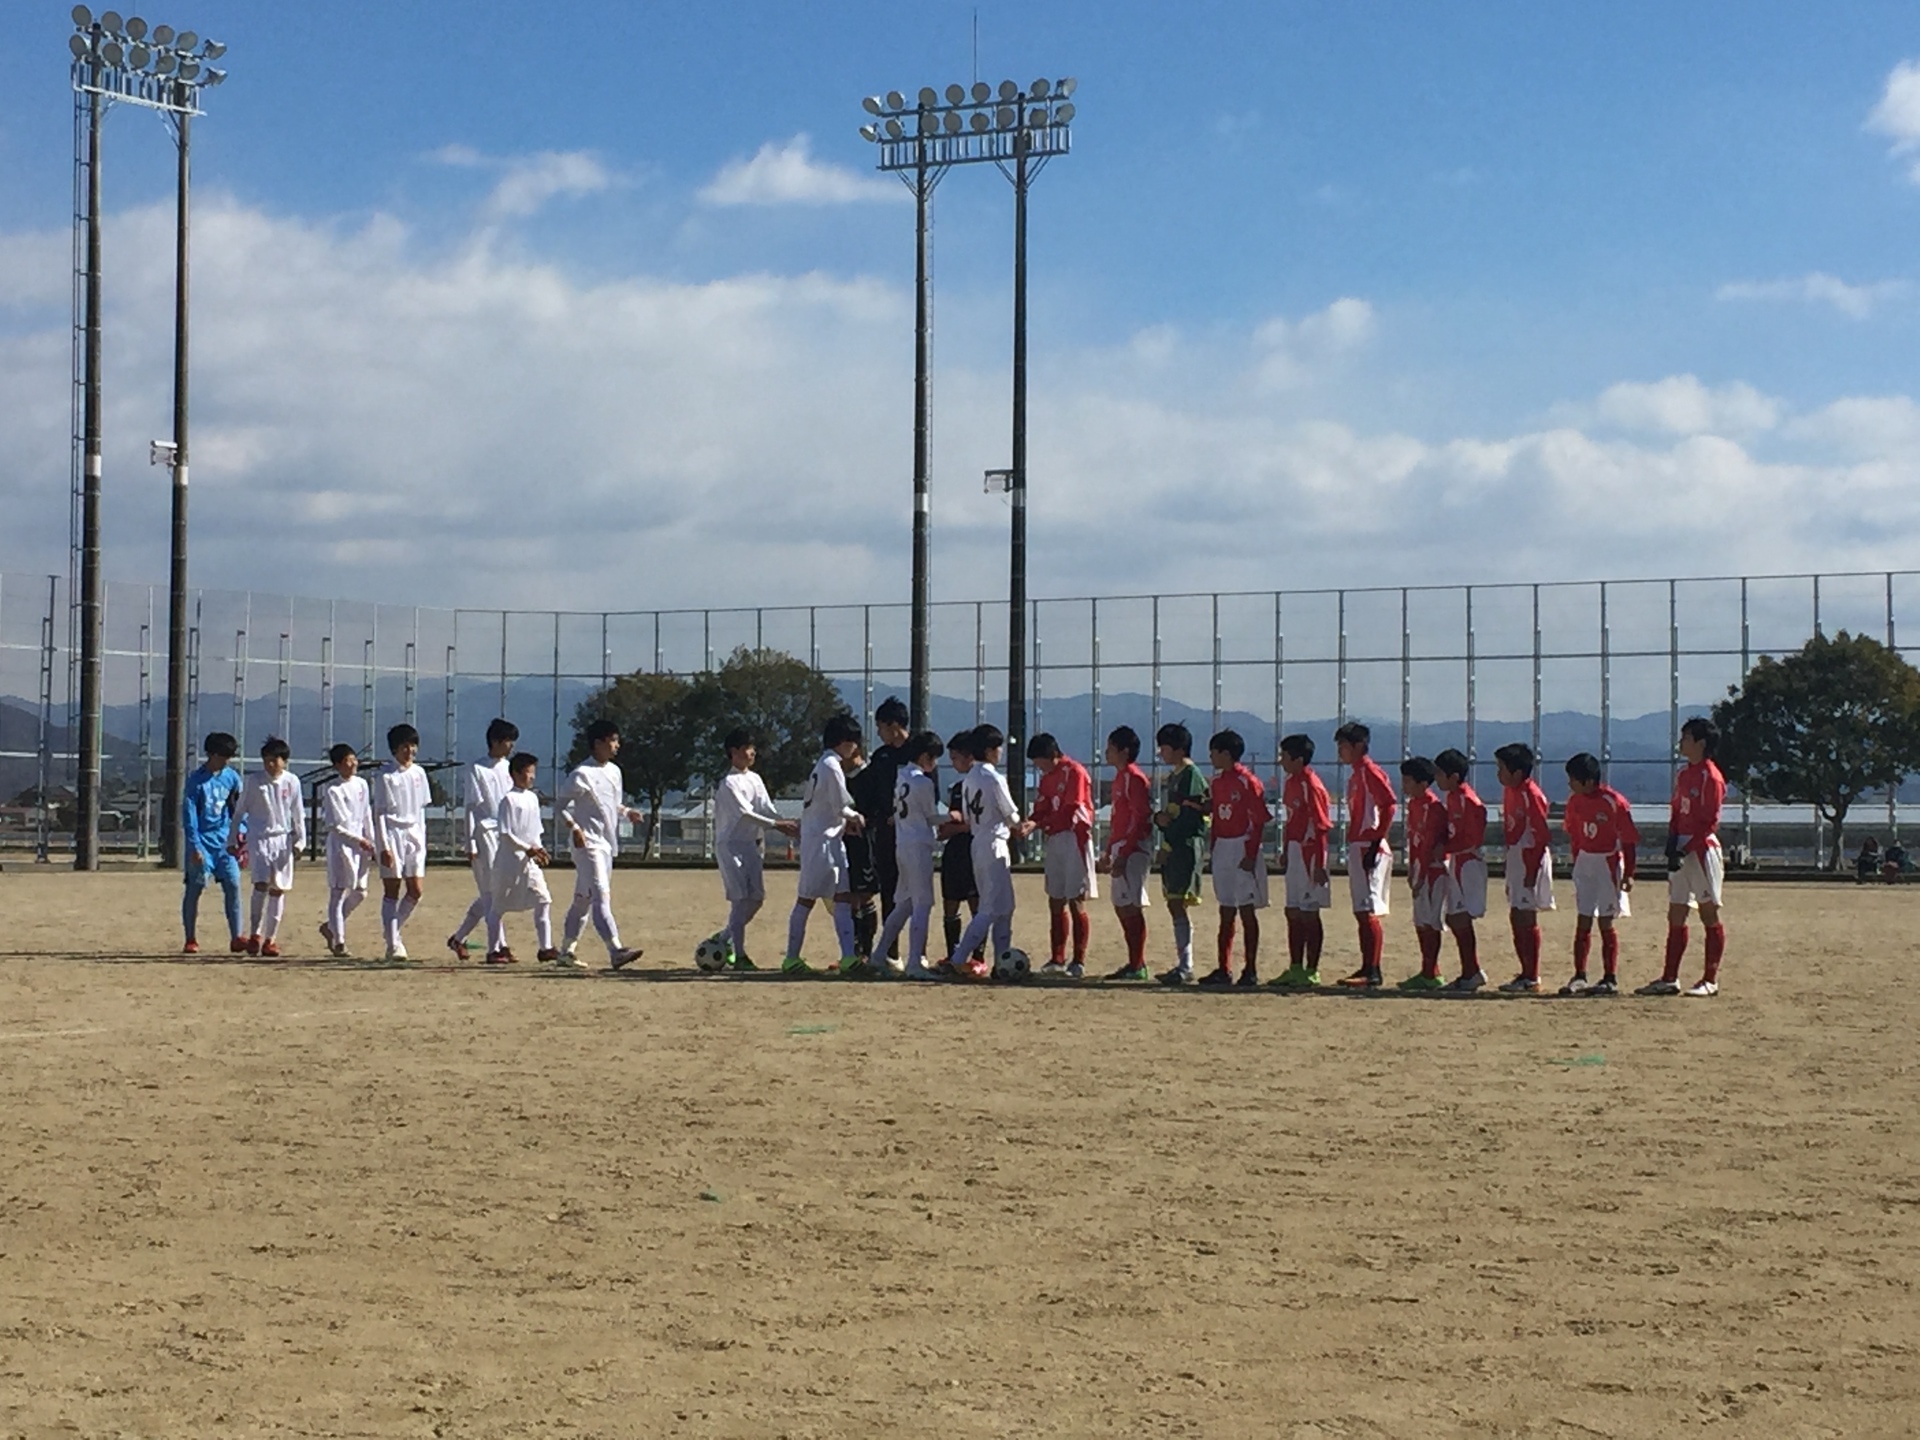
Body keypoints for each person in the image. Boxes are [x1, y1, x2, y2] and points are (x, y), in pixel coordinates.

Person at [1641, 716, 1727, 997]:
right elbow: (1678, 811)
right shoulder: (1684, 774)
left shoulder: (1710, 776)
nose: (1681, 742)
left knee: (1708, 911)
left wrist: (1687, 846)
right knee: (1676, 911)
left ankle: (1710, 979)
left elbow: (1709, 821)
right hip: (1680, 849)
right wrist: (1672, 841)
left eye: (1686, 737)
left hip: (1701, 850)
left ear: (1700, 743)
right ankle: (1669, 977)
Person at [557, 717, 647, 971]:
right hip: (588, 845)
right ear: (598, 743)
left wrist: (627, 811)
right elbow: (560, 807)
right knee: (600, 897)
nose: (617, 745)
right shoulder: (580, 774)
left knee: (582, 900)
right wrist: (574, 828)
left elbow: (611, 805)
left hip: (606, 844)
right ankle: (616, 949)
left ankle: (566, 951)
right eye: (613, 740)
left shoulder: (615, 772)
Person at [785, 713, 867, 976]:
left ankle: (848, 956)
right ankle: (791, 957)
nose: (855, 747)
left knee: (842, 897)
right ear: (843, 741)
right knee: (806, 900)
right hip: (821, 843)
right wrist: (857, 817)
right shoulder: (831, 766)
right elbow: (841, 805)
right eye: (853, 741)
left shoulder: (823, 764)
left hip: (830, 841)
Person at [712, 727, 799, 969]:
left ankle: (723, 938)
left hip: (751, 845)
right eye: (747, 748)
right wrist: (777, 825)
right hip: (731, 846)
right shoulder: (728, 783)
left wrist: (786, 824)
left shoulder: (755, 779)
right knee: (740, 900)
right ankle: (739, 955)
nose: (752, 753)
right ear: (734, 752)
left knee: (756, 899)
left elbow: (765, 808)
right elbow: (746, 814)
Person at [1561, 751, 1638, 996]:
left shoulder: (1614, 801)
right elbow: (1574, 833)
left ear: (1588, 780)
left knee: (1606, 920)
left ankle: (1609, 977)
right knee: (1583, 918)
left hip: (1608, 862)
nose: (1570, 784)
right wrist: (1577, 862)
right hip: (1586, 861)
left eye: (1573, 779)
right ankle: (1580, 975)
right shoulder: (1575, 802)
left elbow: (1629, 840)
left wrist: (1629, 873)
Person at [1199, 729, 1269, 987]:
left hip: (1241, 845)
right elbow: (1216, 817)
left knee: (1247, 910)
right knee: (1225, 909)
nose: (1211, 757)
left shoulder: (1248, 782)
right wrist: (1214, 848)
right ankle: (1223, 967)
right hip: (1223, 848)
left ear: (1226, 754)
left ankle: (1250, 968)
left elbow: (1259, 820)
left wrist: (1250, 854)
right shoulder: (1216, 783)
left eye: (1214, 752)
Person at [873, 730, 946, 978]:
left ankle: (880, 952)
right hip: (918, 845)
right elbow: (932, 817)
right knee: (922, 903)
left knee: (903, 903)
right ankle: (915, 960)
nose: (933, 764)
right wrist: (956, 816)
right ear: (925, 756)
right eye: (933, 759)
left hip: (902, 843)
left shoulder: (902, 776)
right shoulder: (923, 782)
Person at [950, 724, 1021, 980]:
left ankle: (1002, 962)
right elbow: (1010, 813)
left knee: (1004, 906)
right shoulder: (994, 778)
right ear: (990, 750)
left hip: (978, 841)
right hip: (994, 843)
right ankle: (958, 958)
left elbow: (968, 816)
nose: (1000, 752)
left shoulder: (969, 778)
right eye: (998, 747)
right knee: (991, 907)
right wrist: (1020, 825)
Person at [448, 718, 518, 962]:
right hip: (484, 832)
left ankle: (459, 938)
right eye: (508, 741)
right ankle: (496, 947)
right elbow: (471, 808)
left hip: (504, 834)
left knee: (497, 891)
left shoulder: (509, 768)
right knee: (490, 893)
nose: (511, 746)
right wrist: (470, 842)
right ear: (496, 741)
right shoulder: (477, 769)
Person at [847, 697, 912, 960]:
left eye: (881, 727)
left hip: (911, 834)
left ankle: (917, 953)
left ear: (894, 725)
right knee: (888, 891)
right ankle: (889, 952)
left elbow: (930, 792)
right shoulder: (882, 757)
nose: (879, 733)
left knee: (917, 895)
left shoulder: (916, 752)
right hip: (885, 836)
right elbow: (869, 791)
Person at [1028, 732, 1096, 978]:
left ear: (1052, 755)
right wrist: (1032, 822)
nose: (1039, 768)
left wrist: (1039, 824)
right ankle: (1057, 957)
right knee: (1055, 898)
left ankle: (1078, 960)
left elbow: (1070, 812)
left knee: (1075, 899)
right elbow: (1042, 807)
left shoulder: (1075, 772)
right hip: (1055, 839)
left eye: (1040, 762)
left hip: (1074, 838)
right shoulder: (1047, 778)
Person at [232, 735, 306, 958]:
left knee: (279, 889)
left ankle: (270, 940)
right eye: (266, 760)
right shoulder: (254, 781)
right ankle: (255, 934)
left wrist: (300, 840)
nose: (270, 764)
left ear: (284, 760)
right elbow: (240, 811)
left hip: (282, 839)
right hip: (260, 837)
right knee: (261, 884)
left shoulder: (292, 782)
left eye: (275, 760)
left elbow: (297, 813)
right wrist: (232, 838)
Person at [1335, 721, 1396, 989]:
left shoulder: (1370, 772)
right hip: (1358, 843)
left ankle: (1373, 970)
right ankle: (1366, 964)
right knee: (1361, 909)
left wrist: (1375, 840)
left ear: (1358, 746)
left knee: (1369, 908)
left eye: (1344, 746)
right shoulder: (1355, 775)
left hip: (1368, 845)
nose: (1340, 751)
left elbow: (1389, 804)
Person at [1272, 733, 1332, 987]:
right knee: (1292, 910)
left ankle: (1312, 969)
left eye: (1284, 756)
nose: (1281, 760)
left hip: (1310, 853)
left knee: (1309, 912)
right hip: (1295, 850)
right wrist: (1286, 848)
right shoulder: (1290, 782)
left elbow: (1321, 826)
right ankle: (1295, 966)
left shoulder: (1312, 784)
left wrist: (1319, 863)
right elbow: (1291, 819)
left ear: (1298, 759)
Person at [1153, 722, 1211, 986]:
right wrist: (1159, 820)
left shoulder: (1191, 776)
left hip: (1184, 846)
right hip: (1175, 844)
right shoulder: (1176, 775)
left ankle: (1186, 965)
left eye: (1163, 747)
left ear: (1177, 748)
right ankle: (1183, 963)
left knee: (1178, 901)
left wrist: (1167, 844)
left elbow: (1192, 817)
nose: (1160, 753)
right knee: (1173, 901)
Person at [1495, 742, 1555, 994]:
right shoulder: (1511, 792)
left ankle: (1532, 975)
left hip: (1531, 855)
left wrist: (1531, 871)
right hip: (1517, 855)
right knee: (1515, 914)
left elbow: (1541, 835)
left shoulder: (1532, 795)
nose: (1498, 774)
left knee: (1526, 915)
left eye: (1502, 768)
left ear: (1517, 772)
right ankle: (1525, 971)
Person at [1097, 726, 1154, 981]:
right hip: (1120, 846)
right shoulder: (1120, 778)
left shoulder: (1135, 778)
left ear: (1124, 751)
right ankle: (1133, 962)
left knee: (1131, 906)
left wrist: (1125, 852)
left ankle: (1138, 964)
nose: (1106, 752)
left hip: (1134, 849)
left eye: (1110, 747)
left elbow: (1140, 818)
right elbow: (1118, 817)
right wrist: (1110, 850)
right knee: (1122, 906)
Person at [372, 722, 433, 963]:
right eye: (405, 746)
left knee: (416, 890)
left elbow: (421, 810)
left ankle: (393, 933)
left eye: (413, 745)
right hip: (393, 833)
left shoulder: (419, 773)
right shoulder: (385, 776)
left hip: (414, 833)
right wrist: (384, 846)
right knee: (392, 888)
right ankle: (393, 944)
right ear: (395, 749)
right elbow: (379, 813)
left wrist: (422, 840)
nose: (410, 751)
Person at [181, 731, 244, 956]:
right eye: (222, 756)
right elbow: (189, 816)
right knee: (196, 888)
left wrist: (240, 835)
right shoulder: (196, 781)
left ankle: (237, 937)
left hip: (225, 842)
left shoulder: (232, 778)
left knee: (234, 885)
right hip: (202, 842)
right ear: (210, 754)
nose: (226, 761)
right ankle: (190, 938)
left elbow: (238, 809)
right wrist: (194, 846)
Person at [490, 751, 557, 963]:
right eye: (528, 772)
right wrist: (526, 848)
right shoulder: (508, 800)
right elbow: (505, 833)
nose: (532, 777)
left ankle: (546, 947)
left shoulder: (533, 799)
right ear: (516, 774)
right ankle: (494, 950)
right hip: (509, 862)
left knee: (543, 899)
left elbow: (535, 831)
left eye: (533, 772)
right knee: (498, 906)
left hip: (529, 862)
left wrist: (538, 849)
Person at [1434, 748, 1489, 991]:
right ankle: (1470, 970)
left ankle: (1472, 972)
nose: (1437, 779)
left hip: (1468, 863)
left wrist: (1447, 846)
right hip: (1457, 860)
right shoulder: (1453, 797)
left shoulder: (1469, 801)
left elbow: (1474, 838)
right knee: (1455, 918)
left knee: (1460, 917)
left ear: (1454, 776)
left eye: (1440, 774)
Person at [317, 742, 374, 957]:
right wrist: (358, 840)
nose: (353, 764)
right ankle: (339, 940)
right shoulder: (333, 790)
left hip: (361, 847)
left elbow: (366, 813)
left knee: (360, 892)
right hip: (342, 845)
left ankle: (330, 926)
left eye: (354, 759)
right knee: (339, 892)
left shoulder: (361, 784)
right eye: (348, 761)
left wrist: (371, 840)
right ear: (338, 765)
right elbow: (336, 825)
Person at [1398, 756, 1450, 991]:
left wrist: (1422, 874)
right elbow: (1414, 839)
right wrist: (1412, 869)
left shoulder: (1434, 807)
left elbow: (1430, 843)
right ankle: (1427, 969)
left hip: (1435, 870)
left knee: (1431, 921)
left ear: (1422, 783)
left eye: (1408, 781)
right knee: (1420, 921)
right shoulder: (1413, 805)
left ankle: (1432, 971)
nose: (1404, 786)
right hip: (1420, 867)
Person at [937, 729, 984, 973]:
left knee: (976, 902)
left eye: (955, 757)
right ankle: (954, 953)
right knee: (950, 901)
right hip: (954, 851)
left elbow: (974, 822)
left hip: (973, 848)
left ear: (969, 756)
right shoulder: (957, 787)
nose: (952, 763)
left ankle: (978, 956)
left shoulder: (981, 783)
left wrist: (953, 829)